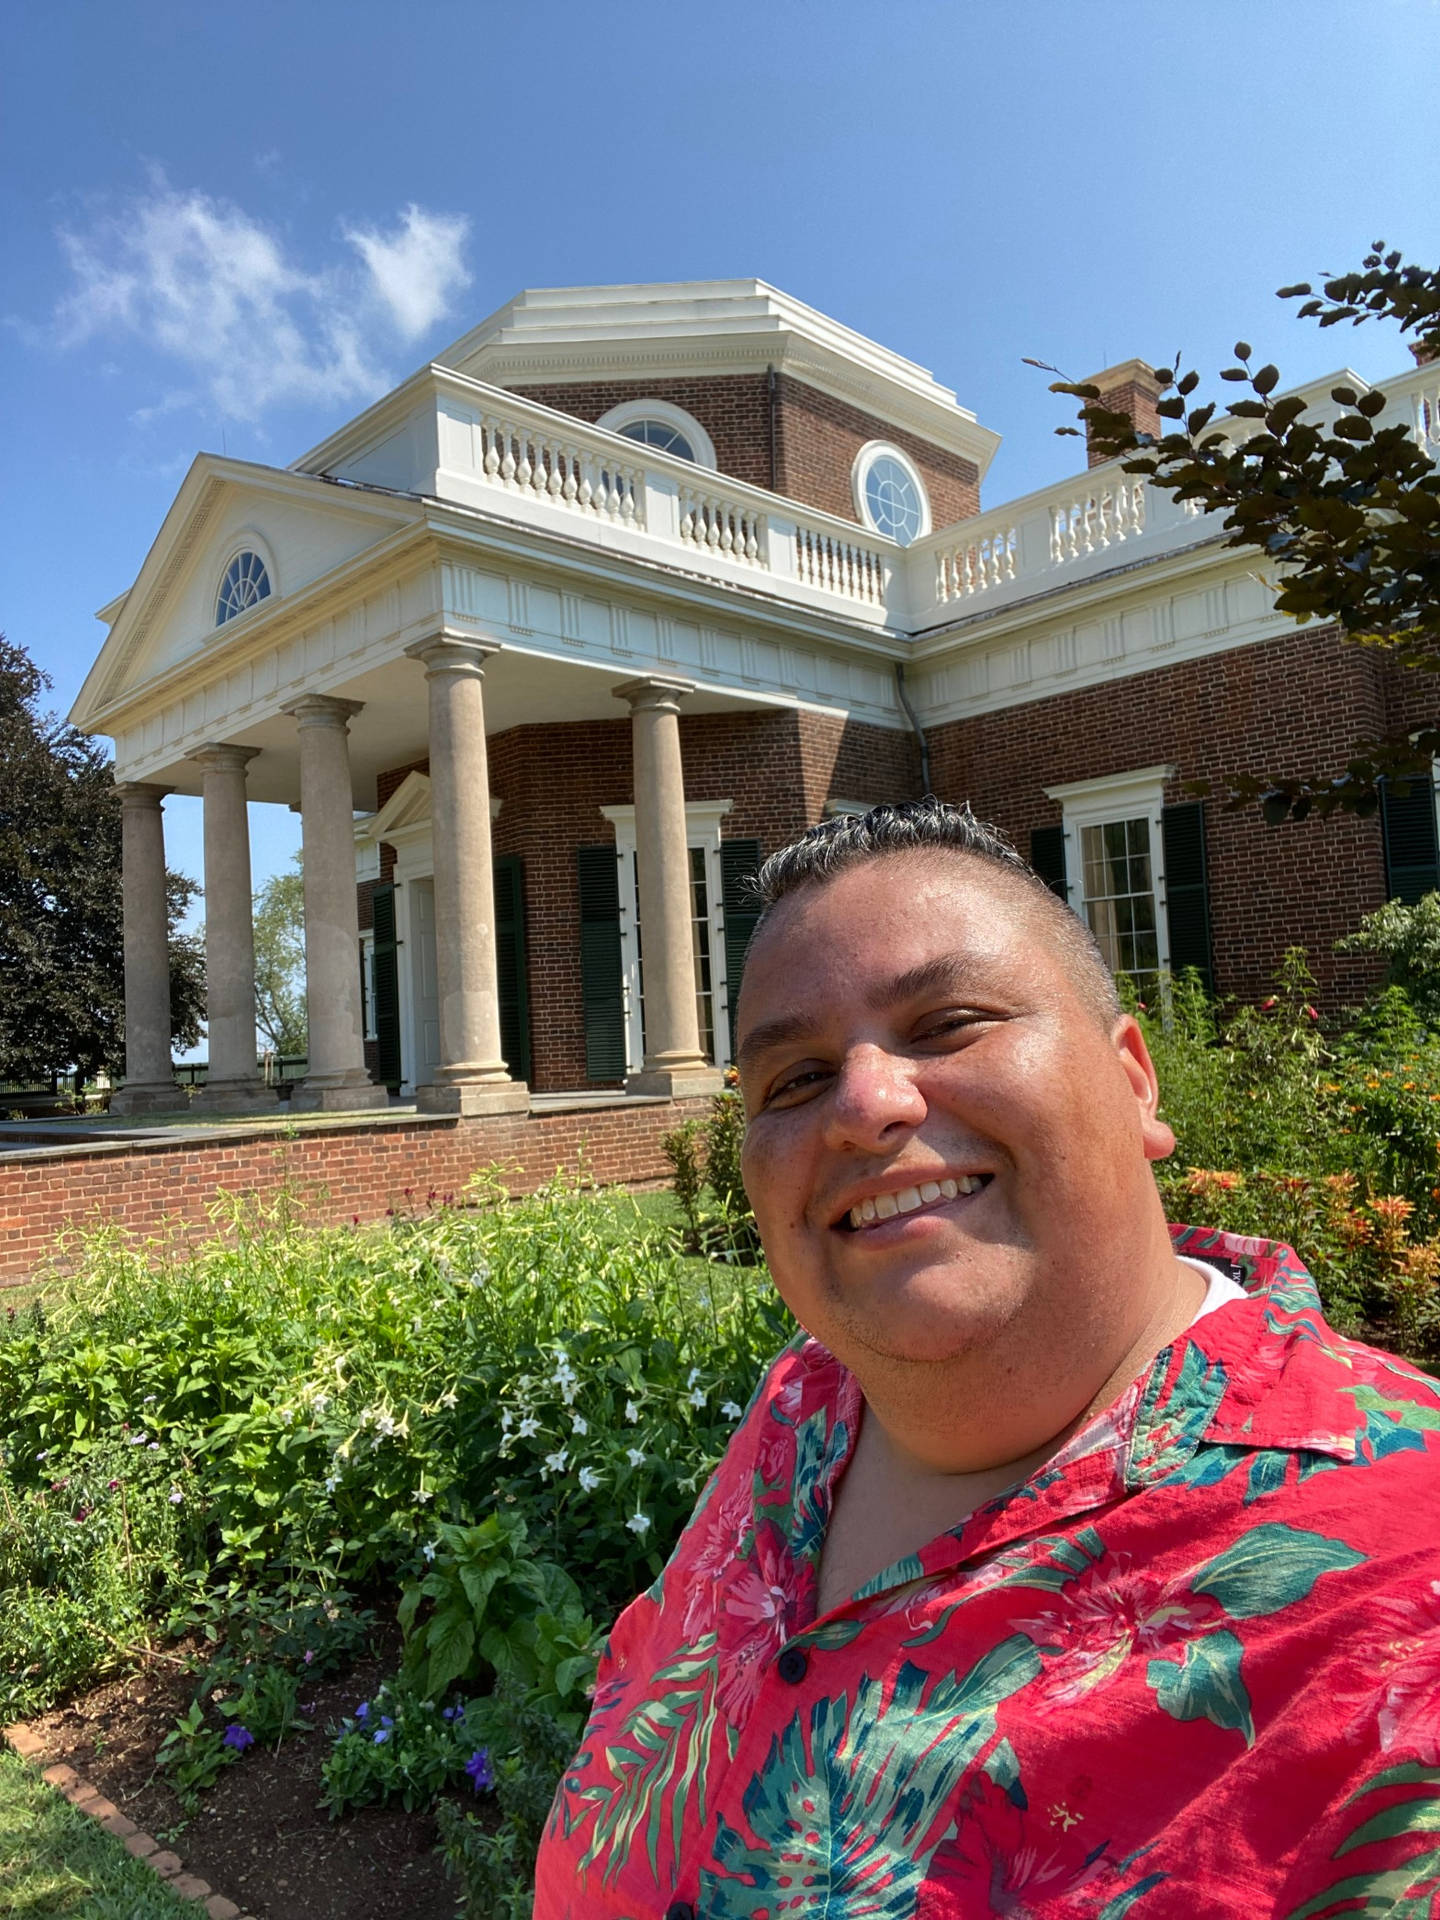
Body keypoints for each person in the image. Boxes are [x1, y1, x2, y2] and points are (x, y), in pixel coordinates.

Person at [534, 800, 1440, 1917]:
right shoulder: (807, 1407)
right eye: (795, 1079)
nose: (865, 1103)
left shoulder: (1407, 1581)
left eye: (950, 1021)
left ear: (1136, 1080)